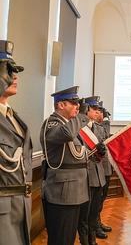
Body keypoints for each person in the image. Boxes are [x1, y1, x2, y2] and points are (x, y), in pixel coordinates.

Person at [40, 86, 90, 245]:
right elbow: (67, 134)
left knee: (68, 237)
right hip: (62, 194)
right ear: (61, 105)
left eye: (78, 104)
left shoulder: (70, 125)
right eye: (74, 103)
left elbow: (77, 155)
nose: (77, 107)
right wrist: (82, 115)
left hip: (75, 191)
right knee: (61, 239)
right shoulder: (51, 124)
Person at [0, 40, 32, 245]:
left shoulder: (14, 117)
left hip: (21, 206)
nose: (14, 76)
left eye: (15, 70)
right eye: (7, 70)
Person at [77, 96, 107, 245]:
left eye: (98, 110)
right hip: (84, 176)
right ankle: (85, 241)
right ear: (86, 109)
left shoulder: (99, 129)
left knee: (94, 212)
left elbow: (103, 152)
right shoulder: (77, 127)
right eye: (94, 109)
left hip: (98, 175)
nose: (97, 112)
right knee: (84, 214)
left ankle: (92, 239)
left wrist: (102, 151)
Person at [95, 103, 113, 238]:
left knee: (102, 198)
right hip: (99, 169)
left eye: (101, 111)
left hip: (105, 168)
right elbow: (106, 134)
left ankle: (98, 222)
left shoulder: (99, 126)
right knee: (97, 199)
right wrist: (106, 120)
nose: (100, 114)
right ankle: (95, 225)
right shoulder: (95, 127)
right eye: (97, 111)